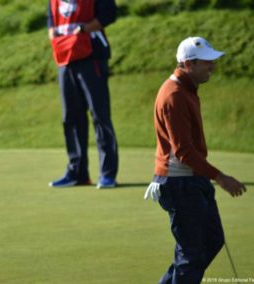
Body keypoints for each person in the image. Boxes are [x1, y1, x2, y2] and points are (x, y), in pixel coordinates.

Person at [144, 37, 246, 283]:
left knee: (211, 241)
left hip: (192, 179)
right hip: (179, 183)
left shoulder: (187, 90)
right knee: (191, 254)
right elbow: (183, 152)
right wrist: (220, 177)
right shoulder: (174, 96)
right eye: (206, 62)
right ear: (188, 64)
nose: (212, 66)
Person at [47, 0, 119, 189]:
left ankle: (107, 174)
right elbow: (51, 22)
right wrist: (55, 35)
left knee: (100, 115)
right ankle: (77, 173)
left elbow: (109, 14)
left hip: (91, 56)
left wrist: (84, 29)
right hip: (65, 57)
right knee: (70, 117)